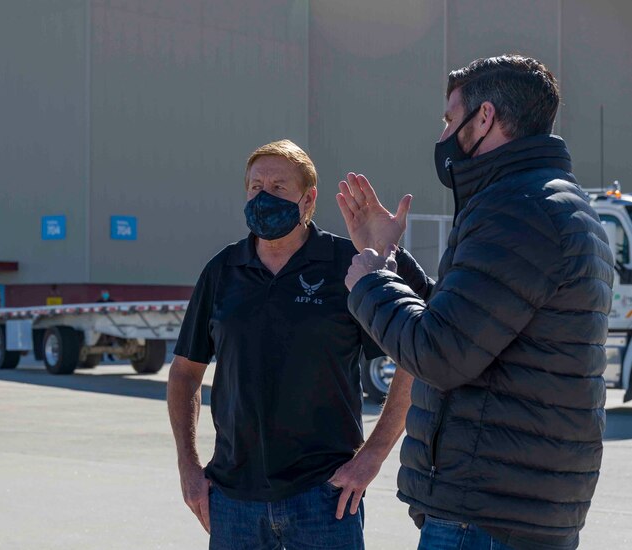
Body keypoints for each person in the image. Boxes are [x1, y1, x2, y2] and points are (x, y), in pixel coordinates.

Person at [338, 55, 612, 549]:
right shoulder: (552, 203)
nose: (443, 135)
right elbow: (470, 321)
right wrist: (390, 259)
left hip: (485, 514)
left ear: (484, 117)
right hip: (518, 506)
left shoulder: (518, 210)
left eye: (449, 118)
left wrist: (370, 283)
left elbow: (440, 353)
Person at [167, 139, 414, 549]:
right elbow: (184, 373)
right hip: (232, 501)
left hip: (324, 498)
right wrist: (189, 467)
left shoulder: (348, 264)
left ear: (307, 198)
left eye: (278, 187)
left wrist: (372, 457)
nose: (263, 196)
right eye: (255, 186)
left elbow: (413, 357)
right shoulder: (223, 270)